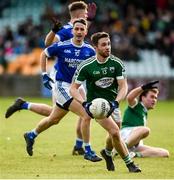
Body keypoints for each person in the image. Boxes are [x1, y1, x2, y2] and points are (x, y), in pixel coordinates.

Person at [5, 1, 97, 156]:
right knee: (82, 112)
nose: (87, 17)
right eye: (86, 14)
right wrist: (53, 31)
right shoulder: (67, 30)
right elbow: (47, 45)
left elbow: (83, 36)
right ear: (80, 14)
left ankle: (32, 131)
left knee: (56, 117)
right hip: (62, 78)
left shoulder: (80, 30)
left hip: (75, 81)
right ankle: (82, 147)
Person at [23, 18, 102, 162]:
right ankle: (88, 150)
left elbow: (93, 70)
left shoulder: (89, 50)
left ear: (86, 32)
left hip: (76, 87)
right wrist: (44, 74)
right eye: (76, 29)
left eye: (81, 29)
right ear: (72, 31)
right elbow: (44, 54)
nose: (78, 31)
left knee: (54, 119)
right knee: (86, 114)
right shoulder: (62, 46)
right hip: (62, 86)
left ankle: (31, 135)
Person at [70, 31, 141, 172]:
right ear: (95, 47)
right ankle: (130, 164)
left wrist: (116, 102)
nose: (107, 47)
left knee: (113, 134)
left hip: (113, 104)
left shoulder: (117, 63)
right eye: (103, 45)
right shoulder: (86, 66)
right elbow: (73, 89)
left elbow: (123, 86)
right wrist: (85, 103)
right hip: (97, 107)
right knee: (115, 132)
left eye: (108, 44)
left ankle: (107, 153)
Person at [120, 81, 169, 158]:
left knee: (165, 153)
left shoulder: (144, 111)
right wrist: (143, 87)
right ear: (143, 97)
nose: (154, 100)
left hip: (135, 144)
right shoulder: (136, 105)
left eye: (156, 98)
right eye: (152, 97)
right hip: (125, 135)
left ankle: (134, 155)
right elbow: (129, 97)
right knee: (145, 130)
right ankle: (121, 148)